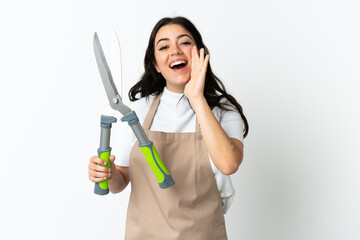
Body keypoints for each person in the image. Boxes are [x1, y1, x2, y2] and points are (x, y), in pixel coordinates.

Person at [88, 16, 249, 239]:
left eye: (184, 42)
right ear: (156, 64)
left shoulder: (223, 111)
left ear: (200, 54)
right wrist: (109, 173)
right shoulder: (138, 111)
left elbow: (229, 164)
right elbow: (120, 182)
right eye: (164, 46)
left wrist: (197, 99)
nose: (175, 51)